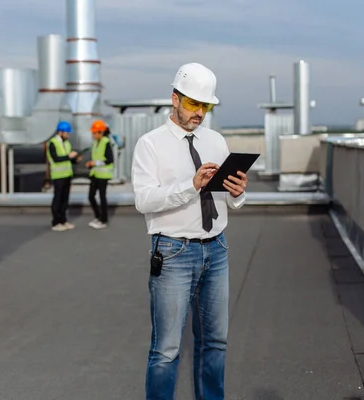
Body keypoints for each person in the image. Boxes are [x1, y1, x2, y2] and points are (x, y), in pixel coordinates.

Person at [131, 63, 249, 400]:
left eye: (206, 106)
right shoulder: (150, 144)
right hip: (173, 252)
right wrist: (190, 185)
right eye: (194, 104)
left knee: (215, 342)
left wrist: (238, 192)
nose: (200, 112)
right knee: (166, 349)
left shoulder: (216, 140)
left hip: (217, 249)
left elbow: (228, 196)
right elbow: (143, 200)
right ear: (175, 99)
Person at [46, 120, 82, 231]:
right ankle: (55, 222)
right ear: (61, 132)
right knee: (58, 199)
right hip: (58, 176)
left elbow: (67, 159)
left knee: (65, 200)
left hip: (67, 175)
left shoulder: (66, 143)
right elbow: (56, 159)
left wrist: (75, 159)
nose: (68, 135)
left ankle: (63, 220)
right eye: (67, 133)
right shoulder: (52, 143)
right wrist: (69, 156)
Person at [85, 119, 114, 229]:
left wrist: (95, 163)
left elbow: (110, 159)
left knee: (102, 197)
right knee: (91, 196)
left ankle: (103, 220)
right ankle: (98, 217)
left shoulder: (106, 142)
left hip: (103, 175)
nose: (93, 135)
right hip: (95, 174)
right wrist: (91, 164)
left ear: (100, 132)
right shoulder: (96, 142)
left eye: (94, 133)